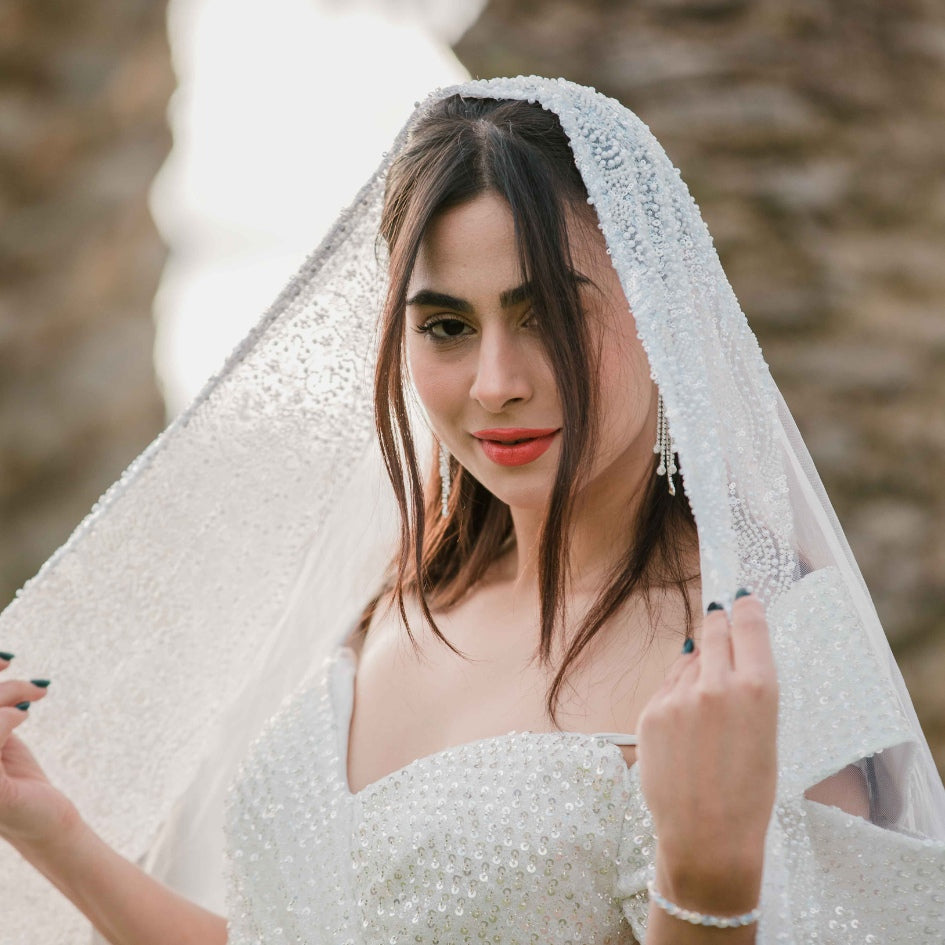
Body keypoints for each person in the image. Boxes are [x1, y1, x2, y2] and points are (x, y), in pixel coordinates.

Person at [1, 77, 944, 945]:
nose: (495, 384)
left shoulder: (758, 656)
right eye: (446, 326)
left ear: (665, 314)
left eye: (549, 316)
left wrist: (707, 883)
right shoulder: (393, 596)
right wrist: (53, 829)